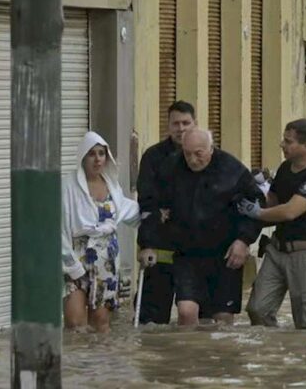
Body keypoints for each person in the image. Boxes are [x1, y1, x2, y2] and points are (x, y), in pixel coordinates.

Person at [143, 128, 264, 326]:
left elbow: (257, 206)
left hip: (225, 254)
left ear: (211, 148)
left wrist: (243, 240)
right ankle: (189, 356)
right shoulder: (171, 167)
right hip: (187, 253)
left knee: (221, 320)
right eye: (187, 153)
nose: (192, 160)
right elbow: (153, 206)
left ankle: (214, 357)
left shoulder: (232, 169)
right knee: (186, 311)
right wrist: (147, 242)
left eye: (198, 154)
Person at [238, 118, 306, 329]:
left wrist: (258, 213)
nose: (282, 145)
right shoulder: (286, 167)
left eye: (288, 141)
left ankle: (305, 358)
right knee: (257, 309)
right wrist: (256, 190)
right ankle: (276, 354)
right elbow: (274, 200)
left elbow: (290, 211)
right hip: (277, 250)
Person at [62, 131, 140, 332]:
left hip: (106, 260)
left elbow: (130, 211)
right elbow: (58, 228)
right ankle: (76, 363)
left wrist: (157, 217)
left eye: (101, 154)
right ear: (83, 156)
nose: (97, 159)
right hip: (76, 258)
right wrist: (71, 266)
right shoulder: (68, 187)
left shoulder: (112, 186)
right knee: (75, 323)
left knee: (101, 324)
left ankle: (101, 363)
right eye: (92, 154)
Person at [136, 100, 197, 324]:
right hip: (160, 245)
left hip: (194, 251)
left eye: (186, 123)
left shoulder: (208, 154)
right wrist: (146, 244)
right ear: (168, 125)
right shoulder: (153, 157)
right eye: (175, 124)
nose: (181, 128)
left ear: (195, 123)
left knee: (192, 315)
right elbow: (147, 203)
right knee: (151, 321)